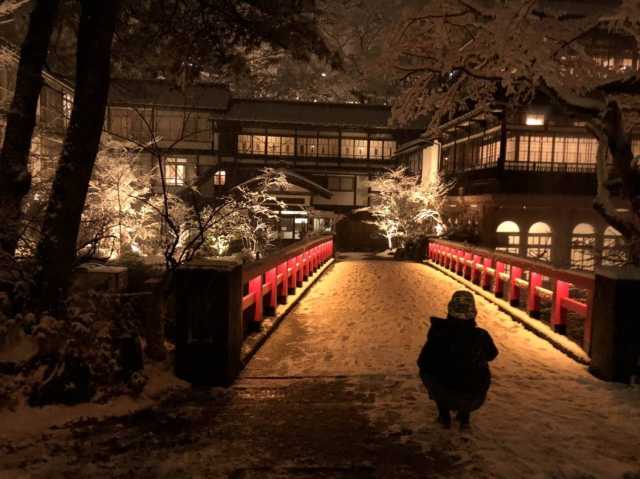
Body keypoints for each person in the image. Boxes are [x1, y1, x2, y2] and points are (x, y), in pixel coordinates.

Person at [417, 290, 498, 430]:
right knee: (475, 370)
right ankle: (464, 417)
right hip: (474, 398)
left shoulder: (438, 333)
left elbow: (423, 362)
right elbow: (492, 355)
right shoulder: (481, 335)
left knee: (430, 371)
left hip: (444, 393)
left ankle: (444, 415)